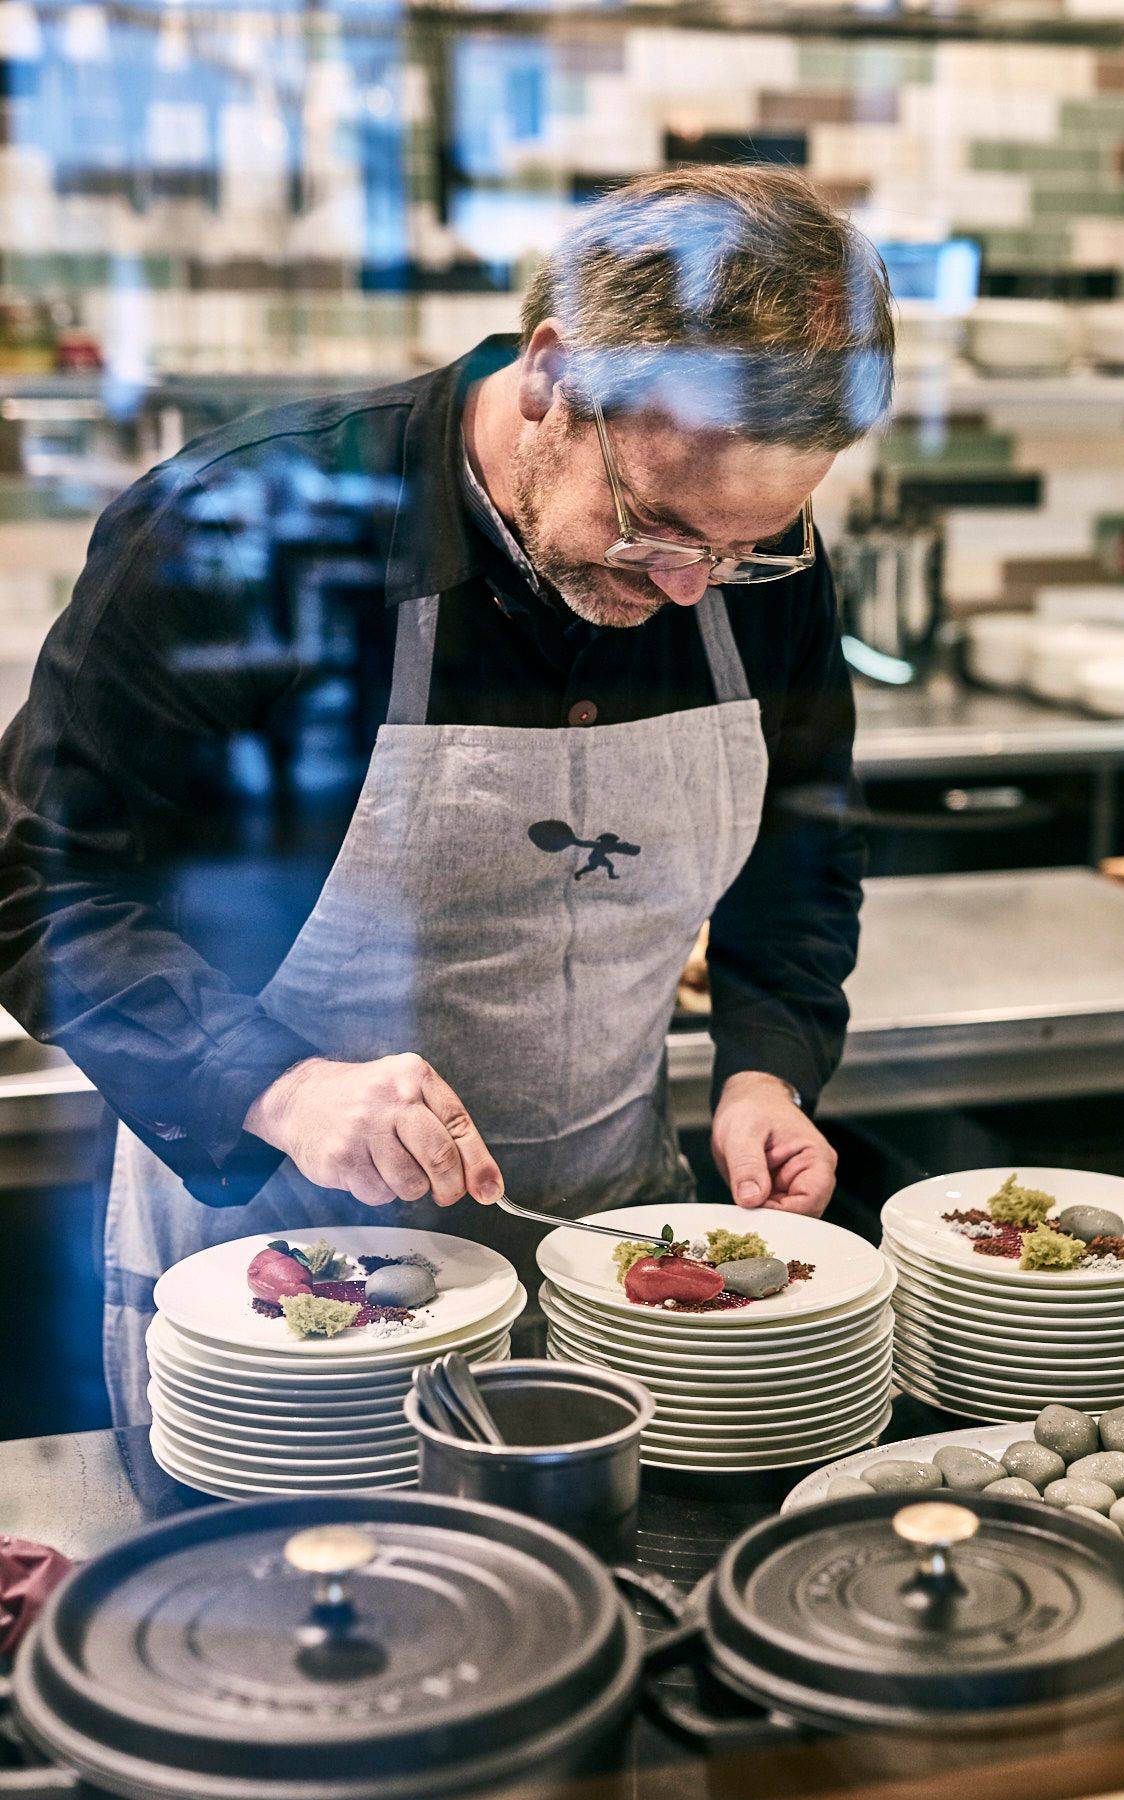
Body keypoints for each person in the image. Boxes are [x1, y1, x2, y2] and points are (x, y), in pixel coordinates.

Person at [0, 165, 894, 1425]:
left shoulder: (753, 567)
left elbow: (800, 863)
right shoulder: (250, 525)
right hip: (284, 1294)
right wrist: (279, 1086)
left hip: (622, 1276)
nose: (694, 585)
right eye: (654, 525)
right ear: (550, 375)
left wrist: (767, 1072)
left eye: (744, 547)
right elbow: (42, 884)